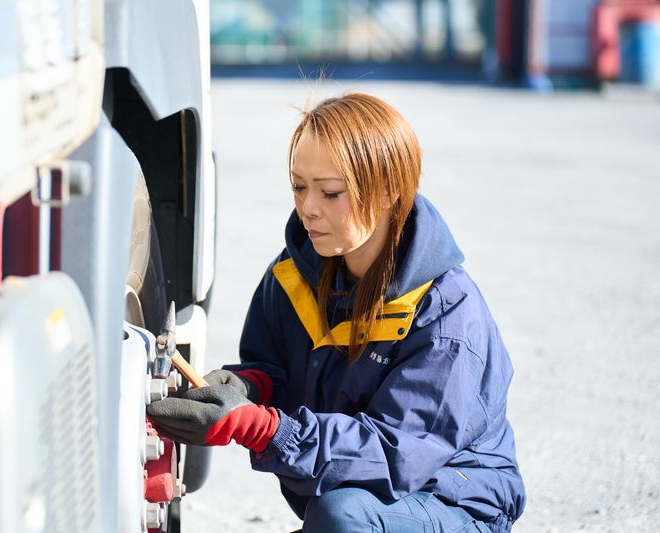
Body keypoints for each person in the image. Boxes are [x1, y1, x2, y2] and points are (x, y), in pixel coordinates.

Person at [147, 93, 526, 532]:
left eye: (330, 192)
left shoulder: (446, 316)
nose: (308, 208)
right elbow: (276, 370)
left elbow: (394, 454)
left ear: (387, 191)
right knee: (338, 514)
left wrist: (264, 429)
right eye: (298, 186)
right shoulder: (292, 276)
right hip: (355, 501)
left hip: (454, 502)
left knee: (341, 517)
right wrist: (247, 386)